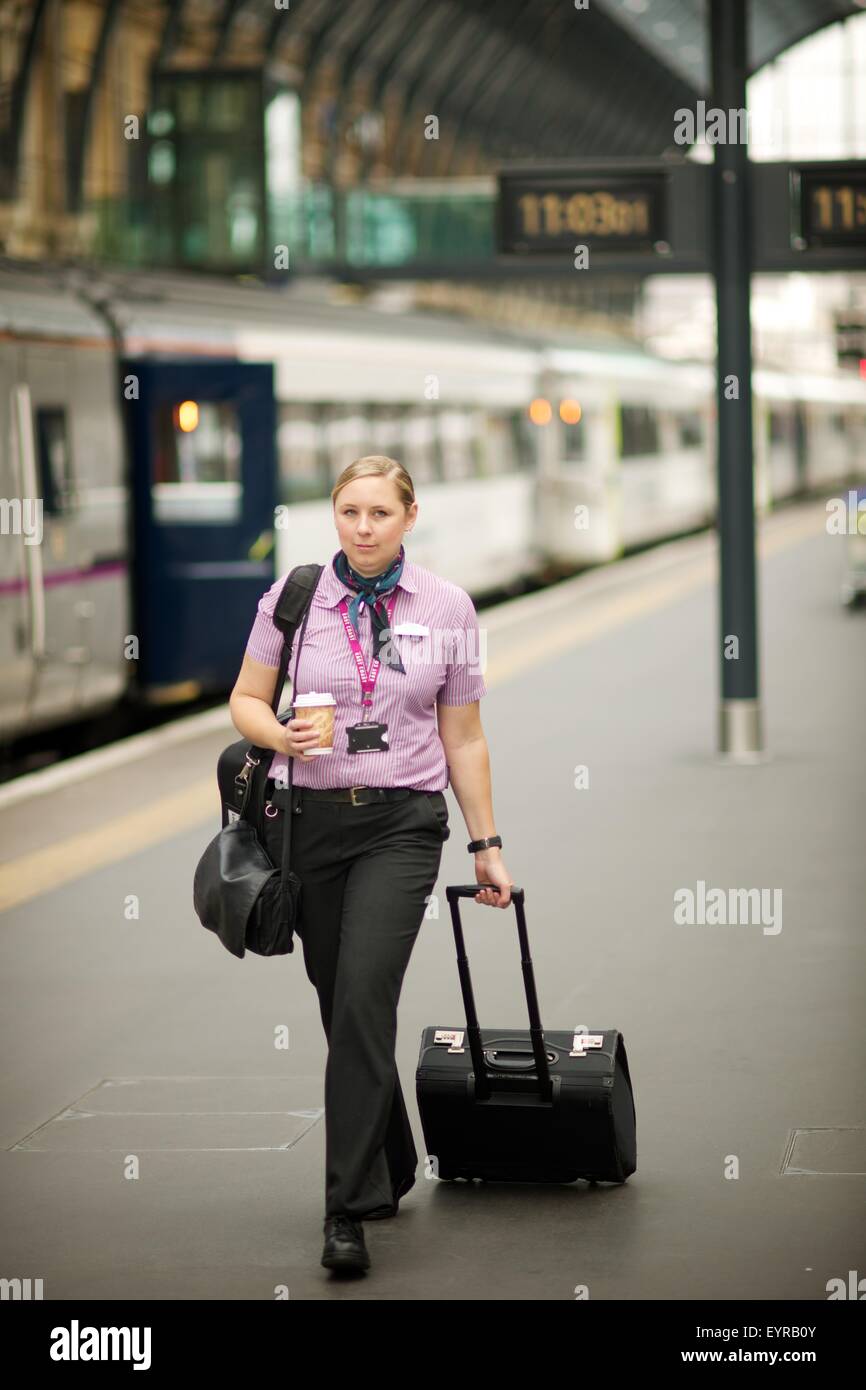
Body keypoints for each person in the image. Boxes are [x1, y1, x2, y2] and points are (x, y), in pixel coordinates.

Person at [228, 454, 514, 1276]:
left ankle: (344, 1210)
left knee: (362, 995)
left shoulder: (449, 607)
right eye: (349, 512)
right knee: (338, 1004)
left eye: (379, 514)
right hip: (308, 827)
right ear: (334, 514)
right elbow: (245, 698)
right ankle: (388, 1162)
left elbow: (463, 737)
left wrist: (485, 845)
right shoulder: (292, 599)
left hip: (402, 825)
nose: (362, 528)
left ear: (409, 517)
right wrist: (277, 735)